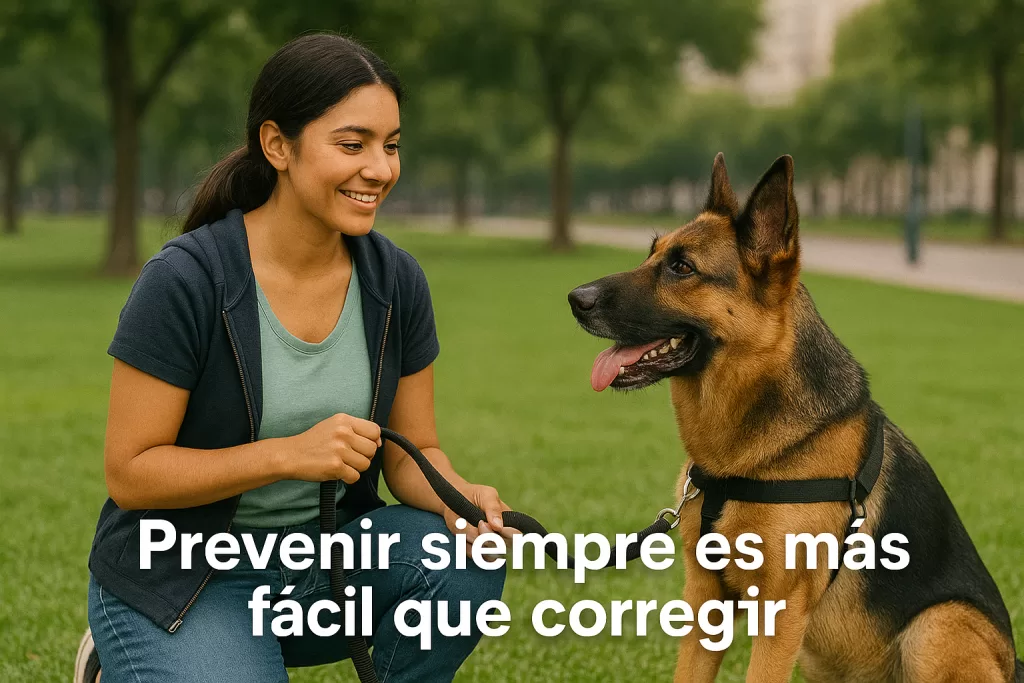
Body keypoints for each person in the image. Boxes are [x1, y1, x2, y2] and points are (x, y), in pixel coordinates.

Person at [75, 33, 512, 683]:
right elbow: (132, 473)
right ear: (277, 144)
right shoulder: (187, 280)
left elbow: (411, 451)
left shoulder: (394, 281)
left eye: (391, 146)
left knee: (460, 560)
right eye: (352, 143)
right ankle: (126, 658)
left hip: (320, 566)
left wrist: (458, 498)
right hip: (186, 574)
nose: (381, 168)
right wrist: (287, 454)